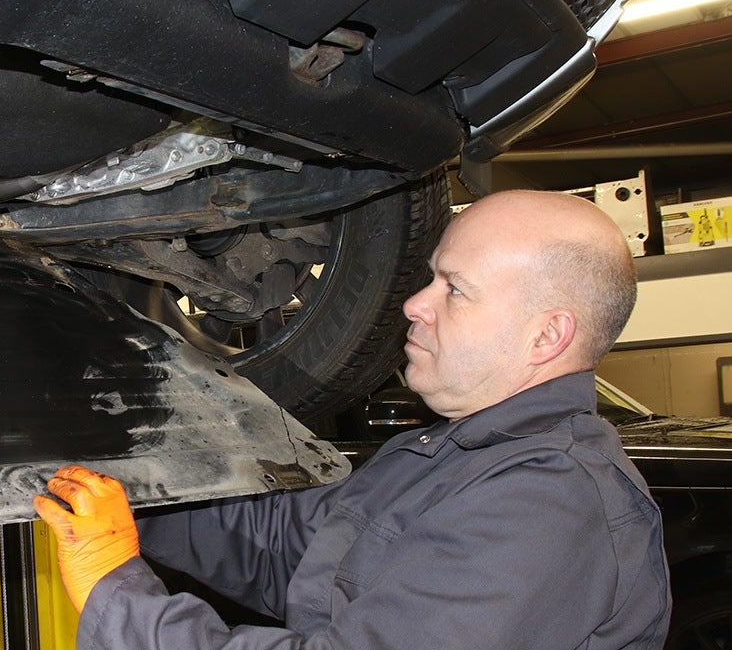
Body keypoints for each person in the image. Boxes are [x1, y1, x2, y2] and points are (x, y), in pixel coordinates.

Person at [34, 189, 670, 650]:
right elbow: (281, 548)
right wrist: (128, 489)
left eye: (454, 288)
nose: (415, 304)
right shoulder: (448, 459)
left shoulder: (547, 503)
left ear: (545, 336)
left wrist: (114, 591)